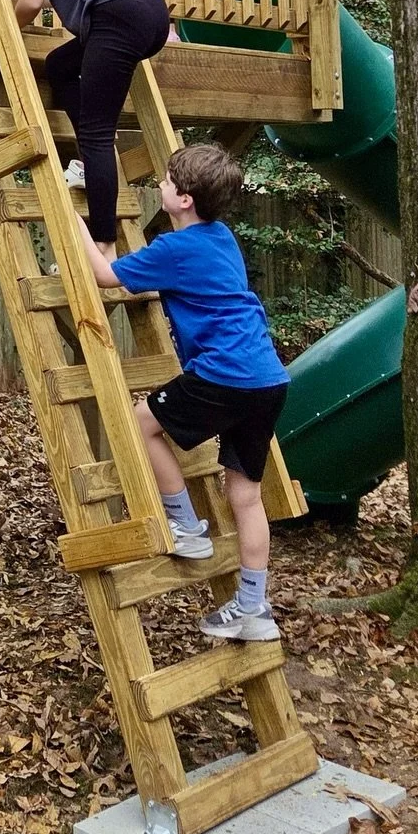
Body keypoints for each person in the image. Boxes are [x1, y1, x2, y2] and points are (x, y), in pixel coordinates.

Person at [78, 142, 289, 643]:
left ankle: (186, 527)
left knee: (140, 421)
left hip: (223, 374)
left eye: (168, 181)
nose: (161, 184)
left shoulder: (175, 250)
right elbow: (165, 278)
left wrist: (78, 225)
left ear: (185, 199)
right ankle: (253, 608)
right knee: (246, 495)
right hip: (267, 378)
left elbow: (105, 276)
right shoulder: (221, 238)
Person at [4, 0, 172, 256]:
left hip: (115, 17)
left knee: (97, 136)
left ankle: (104, 246)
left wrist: (7, 28)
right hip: (151, 15)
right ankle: (90, 148)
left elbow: (31, 2)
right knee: (61, 65)